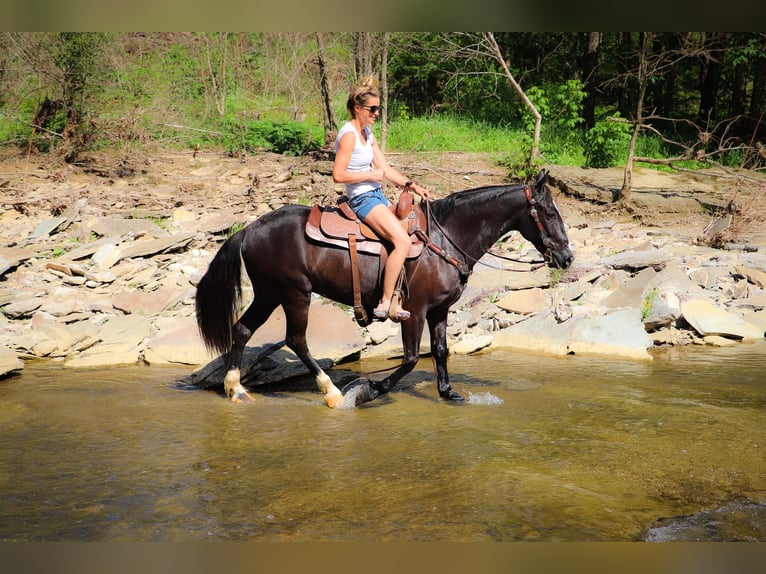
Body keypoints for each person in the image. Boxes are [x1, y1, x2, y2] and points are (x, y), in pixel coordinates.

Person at [333, 77, 431, 322]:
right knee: (401, 241)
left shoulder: (367, 132)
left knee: (411, 231)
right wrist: (369, 174)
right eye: (372, 109)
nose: (376, 113)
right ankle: (385, 301)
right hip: (362, 199)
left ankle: (398, 295)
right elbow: (338, 174)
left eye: (378, 109)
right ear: (358, 108)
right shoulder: (349, 136)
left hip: (376, 194)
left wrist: (411, 184)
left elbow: (384, 168)